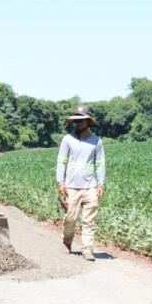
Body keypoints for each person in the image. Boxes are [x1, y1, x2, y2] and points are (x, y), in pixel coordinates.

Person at [56, 105, 106, 261]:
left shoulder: (96, 141)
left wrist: (101, 185)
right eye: (76, 121)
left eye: (82, 121)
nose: (78, 124)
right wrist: (61, 182)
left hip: (90, 187)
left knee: (90, 220)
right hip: (71, 187)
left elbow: (100, 164)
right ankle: (67, 241)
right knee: (70, 219)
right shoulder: (67, 139)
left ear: (88, 122)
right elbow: (61, 162)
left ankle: (87, 249)